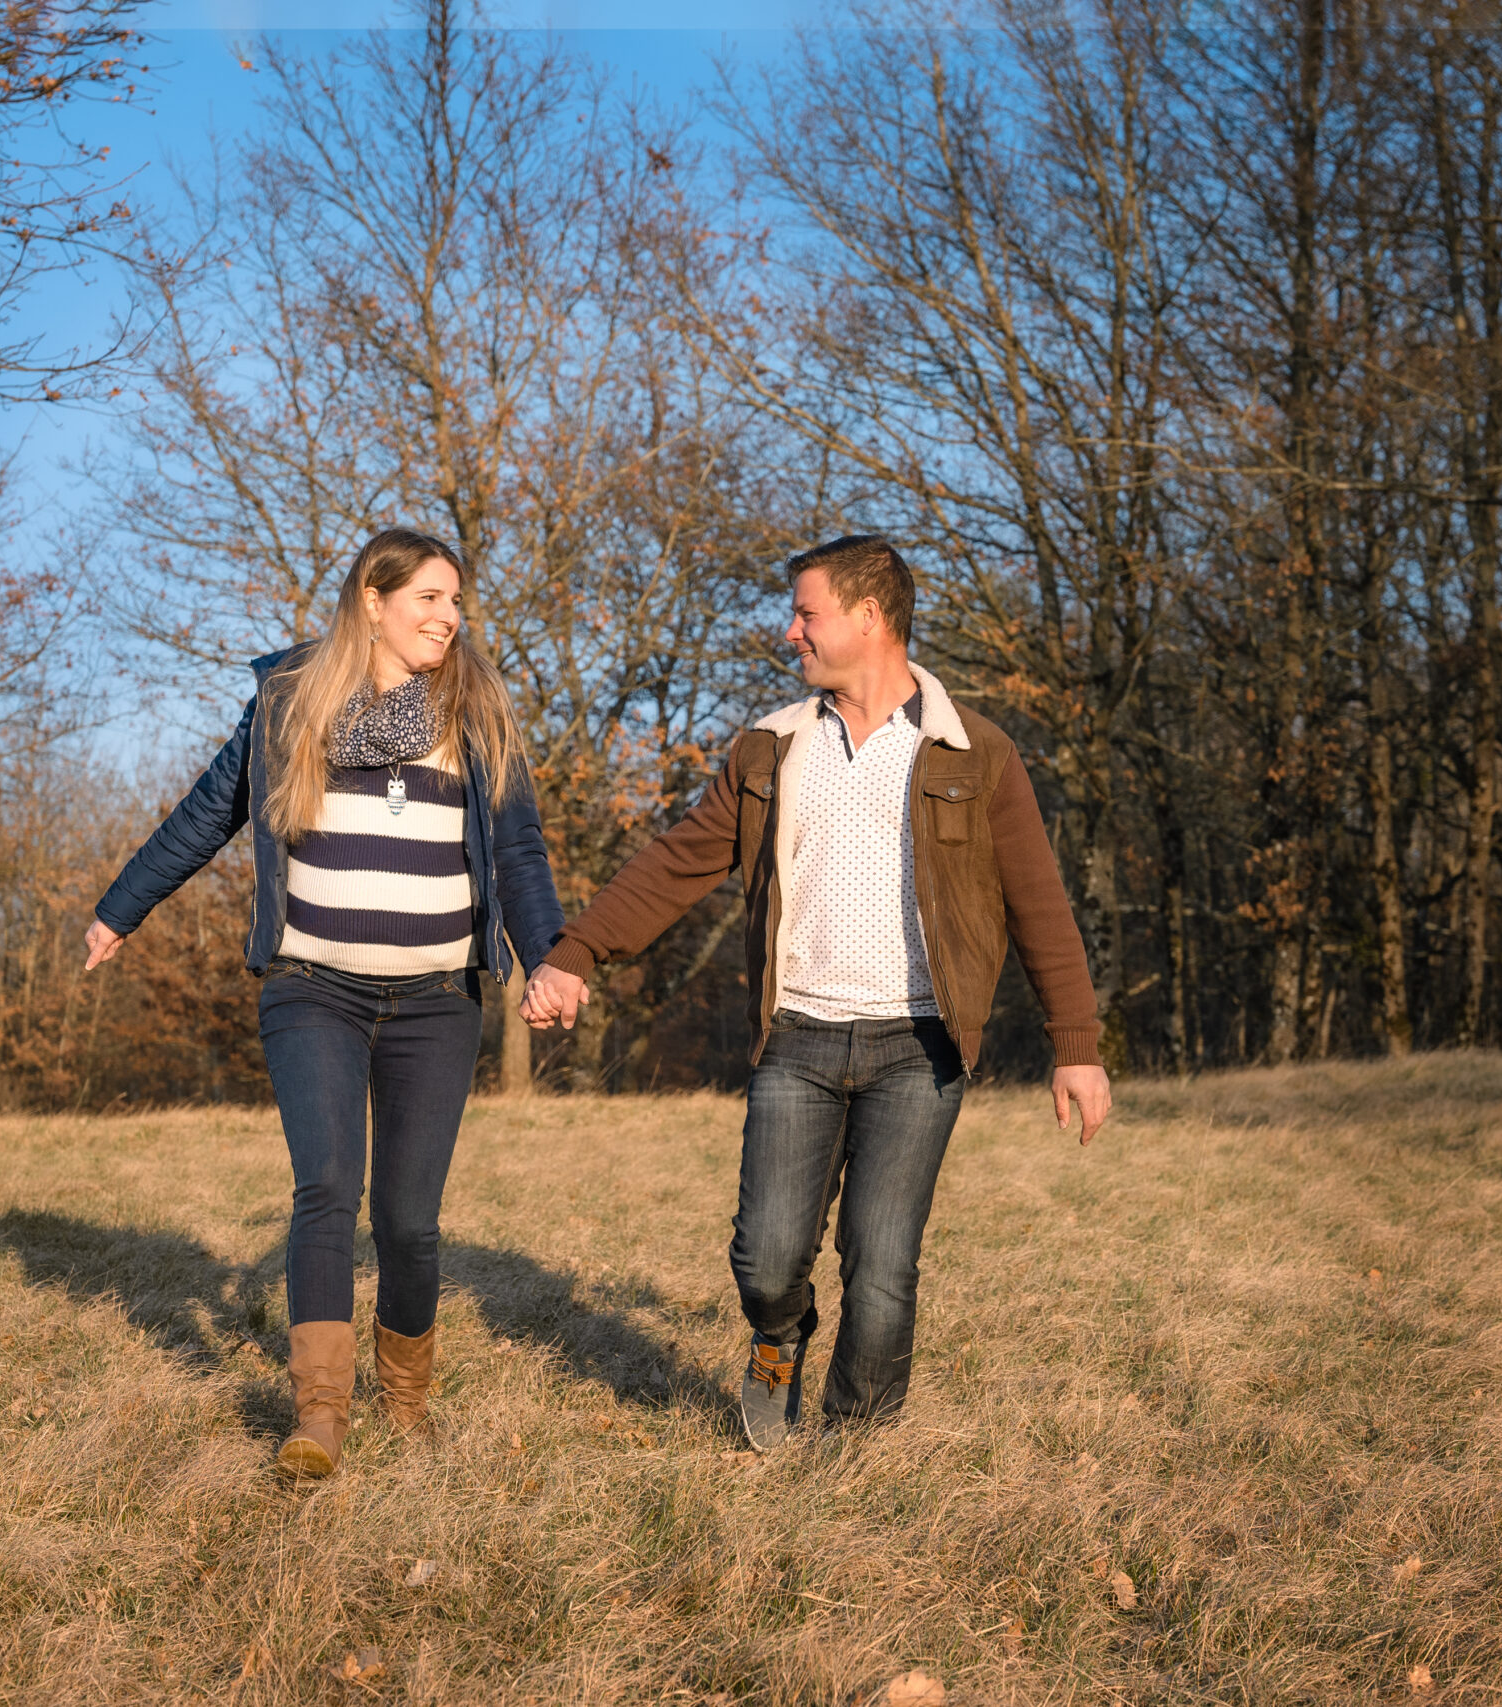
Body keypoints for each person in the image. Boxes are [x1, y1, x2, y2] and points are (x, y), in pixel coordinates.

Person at [524, 534, 1110, 1448]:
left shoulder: (973, 752)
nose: (790, 630)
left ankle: (852, 1446)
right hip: (796, 1036)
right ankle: (779, 1336)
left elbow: (1038, 902)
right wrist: (576, 951)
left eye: (807, 613)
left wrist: (1077, 1044)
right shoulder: (772, 750)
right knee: (765, 1259)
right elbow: (677, 862)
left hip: (918, 1048)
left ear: (868, 618)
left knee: (881, 1267)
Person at [85, 527, 563, 1478]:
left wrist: (547, 958)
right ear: (373, 601)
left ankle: (408, 1392)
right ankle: (320, 1412)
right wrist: (120, 909)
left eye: (457, 601)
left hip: (436, 999)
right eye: (429, 597)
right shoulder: (288, 703)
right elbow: (205, 813)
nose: (449, 617)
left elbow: (519, 851)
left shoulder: (477, 709)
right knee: (326, 1187)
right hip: (313, 987)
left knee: (409, 1220)